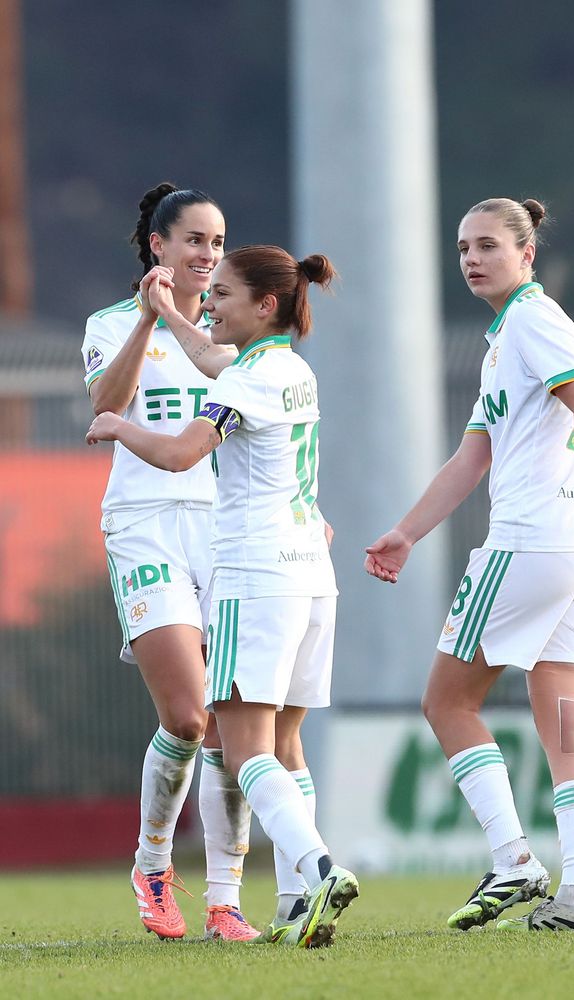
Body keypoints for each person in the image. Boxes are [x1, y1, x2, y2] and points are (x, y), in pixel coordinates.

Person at [86, 244, 360, 948]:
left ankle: (319, 865)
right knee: (287, 745)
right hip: (311, 576)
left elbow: (182, 454)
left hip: (255, 574)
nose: (213, 302)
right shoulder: (286, 368)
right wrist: (170, 313)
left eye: (226, 293)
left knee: (243, 751)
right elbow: (211, 358)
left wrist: (119, 426)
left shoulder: (248, 380)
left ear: (264, 306)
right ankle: (298, 903)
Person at [365, 197, 574, 933]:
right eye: (462, 248)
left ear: (526, 254)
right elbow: (473, 456)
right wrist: (408, 533)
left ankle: (513, 859)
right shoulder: (506, 336)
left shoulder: (534, 322)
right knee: (568, 724)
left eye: (488, 246)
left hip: (535, 543)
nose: (472, 259)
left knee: (447, 703)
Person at [81, 182, 259, 942]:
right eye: (194, 240)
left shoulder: (226, 335)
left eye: (217, 244)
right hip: (146, 525)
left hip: (225, 527)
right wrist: (150, 319)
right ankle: (153, 863)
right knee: (187, 716)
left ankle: (226, 900)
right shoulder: (110, 323)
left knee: (232, 718)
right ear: (157, 245)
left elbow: (263, 422)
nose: (207, 255)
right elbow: (103, 404)